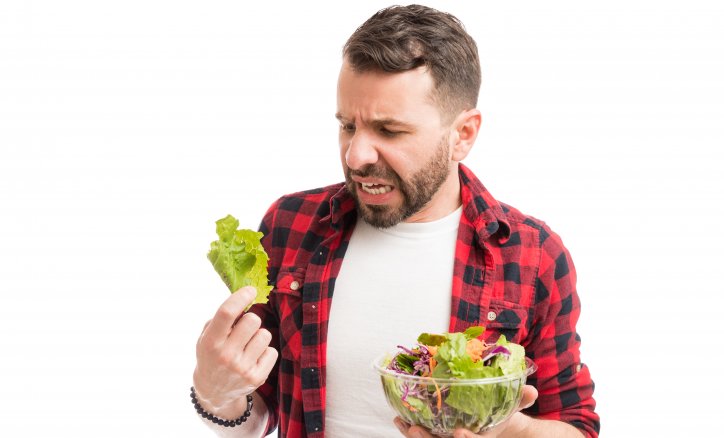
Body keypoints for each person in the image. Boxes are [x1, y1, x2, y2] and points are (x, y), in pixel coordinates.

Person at [191, 4, 599, 437]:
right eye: (348, 125)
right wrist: (218, 394)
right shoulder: (291, 225)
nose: (356, 156)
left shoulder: (532, 253)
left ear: (463, 135)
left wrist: (512, 430)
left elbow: (576, 425)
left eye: (389, 131)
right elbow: (256, 417)